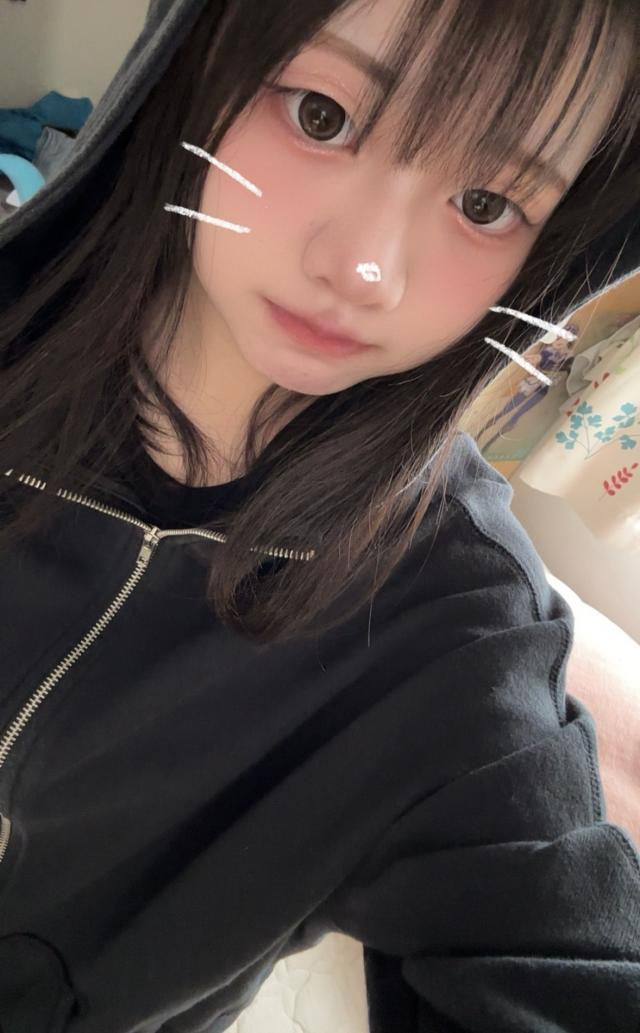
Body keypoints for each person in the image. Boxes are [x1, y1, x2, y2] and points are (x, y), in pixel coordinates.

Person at [0, 0, 638, 1030]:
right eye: (322, 116)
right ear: (195, 60)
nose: (366, 270)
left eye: (485, 202)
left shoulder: (458, 636)